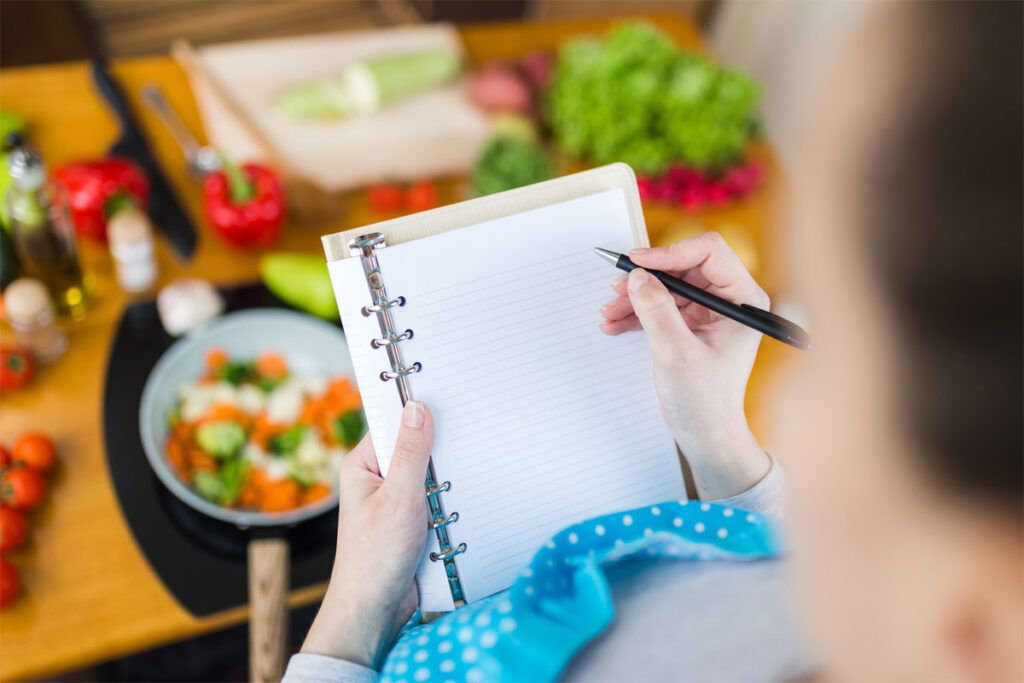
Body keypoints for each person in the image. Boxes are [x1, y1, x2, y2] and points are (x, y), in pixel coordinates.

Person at [284, 2, 1022, 681]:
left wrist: (352, 618)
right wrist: (725, 450)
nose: (785, 409)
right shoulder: (848, 608)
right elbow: (784, 556)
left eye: (831, 345)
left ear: (973, 607)